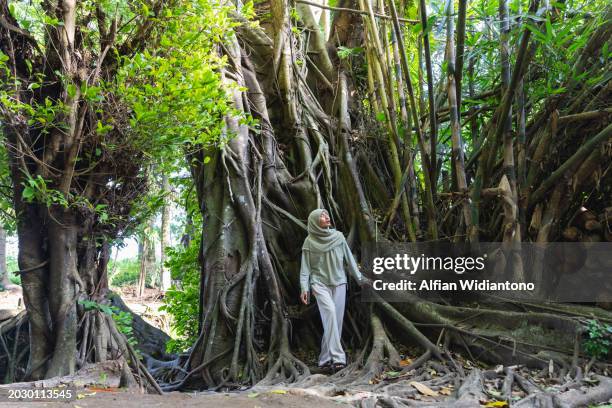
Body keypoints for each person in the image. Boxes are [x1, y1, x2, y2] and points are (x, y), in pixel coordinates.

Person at [299, 208, 369, 371]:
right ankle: (338, 358)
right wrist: (304, 288)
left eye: (326, 214)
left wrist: (360, 279)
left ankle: (324, 359)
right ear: (315, 222)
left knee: (334, 322)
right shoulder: (309, 241)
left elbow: (350, 260)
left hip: (339, 283)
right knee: (330, 312)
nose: (326, 217)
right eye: (322, 216)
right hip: (319, 284)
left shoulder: (338, 237)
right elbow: (305, 269)